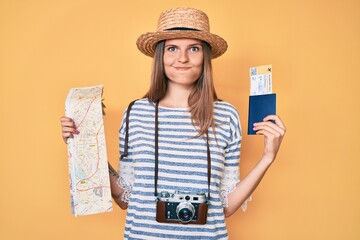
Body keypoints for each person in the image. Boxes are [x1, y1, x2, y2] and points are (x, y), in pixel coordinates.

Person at [60, 7, 286, 240]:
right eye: (172, 48)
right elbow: (125, 197)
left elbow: (226, 206)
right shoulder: (136, 112)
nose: (182, 58)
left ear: (205, 56)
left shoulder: (226, 115)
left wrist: (268, 157)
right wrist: (85, 145)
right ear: (161, 56)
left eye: (194, 48)